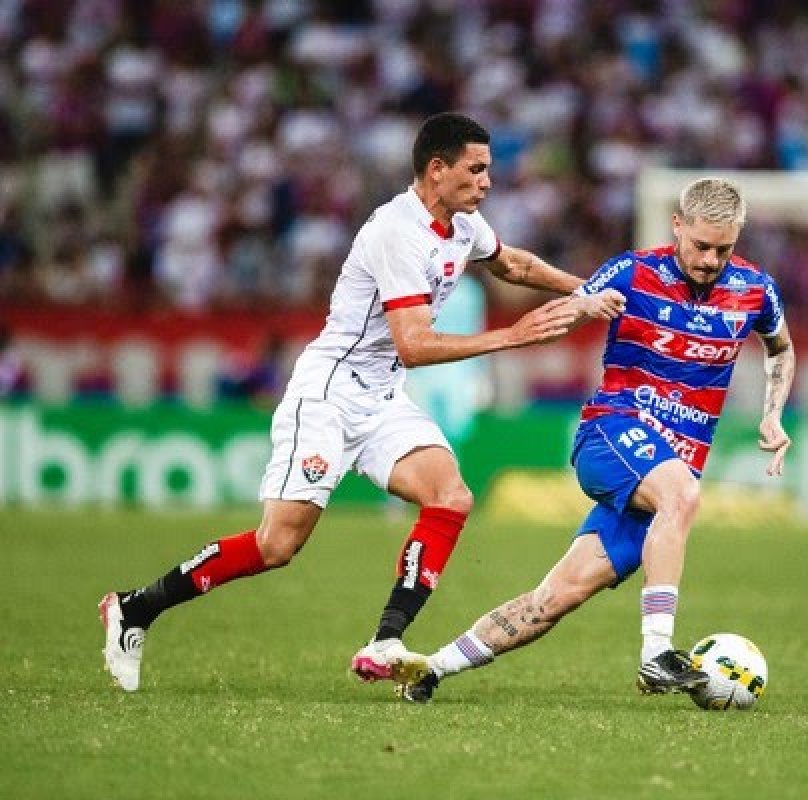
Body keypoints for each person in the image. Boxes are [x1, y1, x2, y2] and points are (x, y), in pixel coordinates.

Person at [99, 112, 625, 692]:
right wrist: (514, 336)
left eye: (488, 170)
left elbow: (513, 264)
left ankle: (387, 640)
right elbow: (416, 343)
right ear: (437, 168)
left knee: (449, 496)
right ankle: (135, 608)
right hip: (327, 393)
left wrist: (591, 290)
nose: (487, 182)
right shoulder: (395, 233)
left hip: (381, 395)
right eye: (476, 170)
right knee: (277, 544)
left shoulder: (464, 223)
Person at [389, 177, 795, 703]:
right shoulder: (632, 271)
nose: (710, 259)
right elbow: (563, 311)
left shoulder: (756, 289)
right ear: (677, 226)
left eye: (724, 248)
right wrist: (580, 307)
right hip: (610, 435)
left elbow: (780, 349)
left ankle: (433, 668)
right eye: (700, 245)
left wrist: (772, 414)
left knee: (556, 596)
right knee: (684, 496)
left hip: (664, 472)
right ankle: (656, 654)